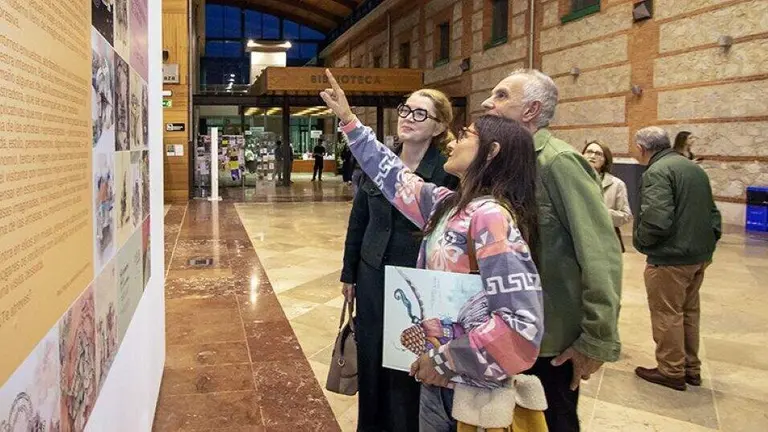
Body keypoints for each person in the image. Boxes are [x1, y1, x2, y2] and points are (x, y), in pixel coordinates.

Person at [323, 69, 544, 432]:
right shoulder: (448, 204)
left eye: (467, 136)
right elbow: (391, 174)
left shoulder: (491, 219)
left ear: (491, 153)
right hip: (438, 375)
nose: (455, 142)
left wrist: (446, 361)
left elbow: (521, 328)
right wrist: (349, 121)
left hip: (465, 385)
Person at [482, 69, 622, 431]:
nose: (487, 103)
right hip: (507, 332)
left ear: (530, 110)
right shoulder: (503, 162)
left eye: (500, 96)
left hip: (550, 342)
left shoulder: (559, 162)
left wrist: (596, 337)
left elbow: (600, 252)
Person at [340, 89, 458, 432]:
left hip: (418, 278)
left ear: (439, 127)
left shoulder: (446, 171)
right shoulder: (378, 161)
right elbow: (358, 219)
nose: (407, 117)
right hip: (374, 272)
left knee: (409, 361)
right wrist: (349, 273)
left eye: (421, 114)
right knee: (373, 356)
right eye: (406, 110)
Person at [632, 127, 721, 391]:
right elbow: (713, 213)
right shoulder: (692, 168)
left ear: (641, 148)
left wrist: (642, 242)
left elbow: (656, 219)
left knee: (667, 313)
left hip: (670, 258)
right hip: (698, 255)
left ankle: (671, 370)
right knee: (689, 312)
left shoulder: (658, 171)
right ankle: (691, 367)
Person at [583, 141, 632, 252]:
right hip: (578, 240)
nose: (592, 156)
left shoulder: (617, 184)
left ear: (605, 159)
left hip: (605, 243)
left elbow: (626, 216)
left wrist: (601, 212)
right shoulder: (572, 180)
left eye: (598, 154)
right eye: (589, 152)